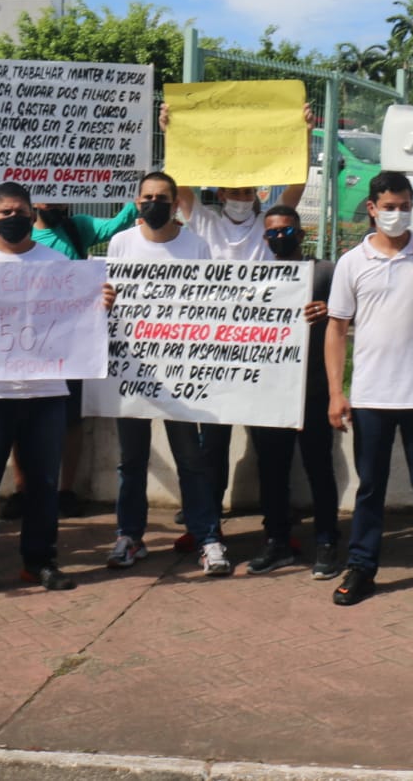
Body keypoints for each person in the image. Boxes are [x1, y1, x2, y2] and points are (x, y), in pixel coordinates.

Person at [0, 181, 105, 602]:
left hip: (46, 392)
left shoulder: (58, 264)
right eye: (5, 212)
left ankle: (40, 561)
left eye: (20, 211)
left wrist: (100, 306)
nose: (14, 218)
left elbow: (78, 320)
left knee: (43, 484)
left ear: (32, 214)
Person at [159, 100, 308, 546]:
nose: (243, 199)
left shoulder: (269, 223)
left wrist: (301, 134)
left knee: (270, 442)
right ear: (220, 194)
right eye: (234, 192)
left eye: (248, 192)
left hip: (264, 347)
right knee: (213, 442)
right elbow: (181, 186)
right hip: (216, 348)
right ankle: (207, 524)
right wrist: (171, 132)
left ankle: (277, 527)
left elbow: (296, 187)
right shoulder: (204, 222)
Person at [327, 172, 413, 607]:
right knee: (370, 488)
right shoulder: (351, 262)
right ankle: (361, 568)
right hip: (371, 397)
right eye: (389, 207)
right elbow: (336, 329)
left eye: (405, 206)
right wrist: (336, 392)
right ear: (371, 208)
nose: (397, 214)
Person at [102, 171, 232, 576]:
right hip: (131, 374)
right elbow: (108, 303)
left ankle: (207, 536)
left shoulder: (196, 245)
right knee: (131, 461)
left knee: (191, 459)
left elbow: (208, 304)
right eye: (147, 197)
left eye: (162, 198)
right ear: (136, 202)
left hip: (180, 374)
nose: (154, 204)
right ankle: (129, 535)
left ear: (176, 204)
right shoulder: (121, 243)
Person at [243, 205, 341, 577]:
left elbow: (351, 315)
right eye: (271, 233)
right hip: (270, 392)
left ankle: (327, 541)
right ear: (264, 239)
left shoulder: (326, 272)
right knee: (271, 470)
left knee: (319, 467)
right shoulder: (256, 278)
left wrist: (329, 310)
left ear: (301, 234)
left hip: (313, 390)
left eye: (285, 231)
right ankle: (277, 540)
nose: (278, 238)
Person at [30, 198, 139, 518]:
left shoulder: (78, 227)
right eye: (47, 195)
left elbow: (116, 225)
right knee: (24, 420)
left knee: (71, 420)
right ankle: (24, 491)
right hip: (28, 344)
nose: (54, 203)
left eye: (60, 196)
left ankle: (65, 490)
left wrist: (134, 202)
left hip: (71, 344)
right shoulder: (21, 232)